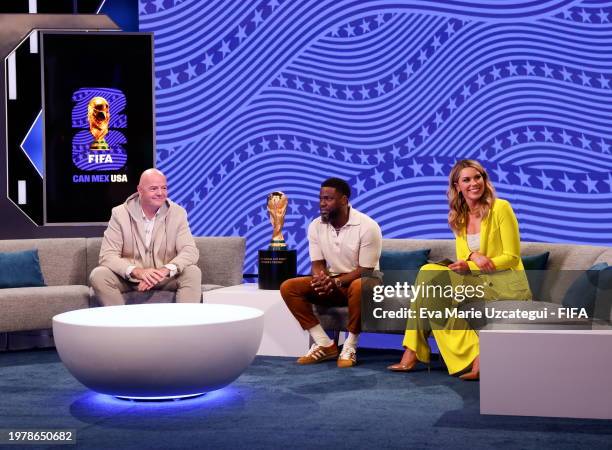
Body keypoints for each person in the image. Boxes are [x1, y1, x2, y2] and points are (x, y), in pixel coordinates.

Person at [388, 159, 531, 379]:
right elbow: (464, 255)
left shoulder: (501, 208)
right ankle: (476, 356)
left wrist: (471, 263)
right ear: (457, 186)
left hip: (505, 284)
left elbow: (511, 258)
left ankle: (413, 350)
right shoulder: (458, 217)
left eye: (478, 177)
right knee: (428, 277)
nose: (474, 183)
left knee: (428, 286)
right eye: (466, 180)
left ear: (484, 180)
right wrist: (473, 257)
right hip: (477, 281)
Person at [280, 177, 382, 368]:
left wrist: (335, 282)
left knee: (361, 285)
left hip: (366, 283)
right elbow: (317, 263)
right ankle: (324, 343)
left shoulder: (368, 227)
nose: (322, 203)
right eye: (321, 199)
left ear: (344, 200)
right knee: (289, 287)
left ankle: (350, 346)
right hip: (335, 283)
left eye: (328, 199)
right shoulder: (315, 226)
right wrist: (321, 279)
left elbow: (366, 269)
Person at [90, 168, 201, 306]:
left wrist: (164, 270)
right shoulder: (120, 214)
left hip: (165, 278)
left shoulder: (178, 213)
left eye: (164, 188)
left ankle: (186, 325)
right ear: (140, 190)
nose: (160, 193)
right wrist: (138, 272)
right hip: (130, 279)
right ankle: (120, 324)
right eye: (154, 188)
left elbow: (189, 251)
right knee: (99, 275)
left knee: (192, 272)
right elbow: (108, 255)